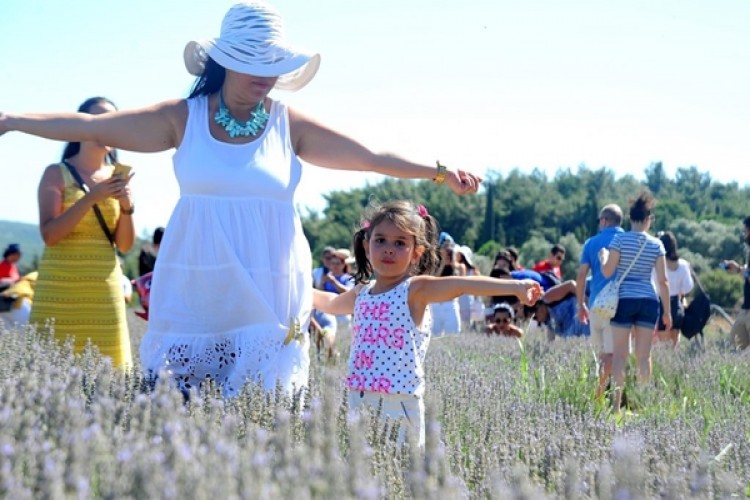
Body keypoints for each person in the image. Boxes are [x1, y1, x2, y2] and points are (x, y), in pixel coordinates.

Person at [0, 2, 481, 395]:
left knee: (265, 401)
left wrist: (439, 173)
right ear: (225, 59)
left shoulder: (287, 123)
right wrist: (16, 120)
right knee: (180, 401)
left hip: (270, 284)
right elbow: (91, 127)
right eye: (255, 63)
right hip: (198, 284)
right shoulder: (181, 117)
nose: (266, 75)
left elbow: (371, 155)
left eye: (273, 65)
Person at [313, 201, 541, 446]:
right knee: (361, 474)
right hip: (359, 398)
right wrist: (298, 289)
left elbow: (461, 285)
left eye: (400, 243)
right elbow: (331, 303)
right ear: (366, 246)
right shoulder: (361, 293)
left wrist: (515, 287)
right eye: (380, 240)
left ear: (416, 253)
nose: (388, 249)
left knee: (403, 473)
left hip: (399, 404)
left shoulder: (414, 290)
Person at [16, 97, 135, 369]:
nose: (109, 127)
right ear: (78, 126)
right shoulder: (56, 173)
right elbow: (50, 235)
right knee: (48, 374)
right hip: (59, 292)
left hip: (105, 295)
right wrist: (91, 198)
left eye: (114, 121)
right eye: (100, 119)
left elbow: (125, 246)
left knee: (112, 378)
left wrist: (128, 206)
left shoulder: (117, 177)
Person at [601, 192, 671, 410]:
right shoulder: (656, 244)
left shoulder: (619, 239)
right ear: (649, 219)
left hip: (624, 298)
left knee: (620, 354)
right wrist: (667, 312)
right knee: (644, 356)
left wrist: (603, 257)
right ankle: (642, 404)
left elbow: (608, 271)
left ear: (631, 218)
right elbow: (663, 281)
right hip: (649, 300)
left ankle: (616, 405)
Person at [576, 203, 624, 398]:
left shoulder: (591, 243)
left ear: (604, 220)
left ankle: (599, 396)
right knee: (613, 356)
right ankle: (601, 397)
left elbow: (581, 276)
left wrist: (580, 304)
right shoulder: (627, 241)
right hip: (618, 306)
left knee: (601, 357)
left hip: (596, 304)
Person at [655, 231, 693, 347]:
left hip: (661, 305)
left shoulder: (657, 264)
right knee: (674, 344)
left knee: (663, 345)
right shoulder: (683, 264)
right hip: (677, 305)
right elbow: (688, 287)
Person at [722, 216, 750, 351]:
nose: (744, 235)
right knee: (734, 347)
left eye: (746, 231)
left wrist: (740, 270)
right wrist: (739, 268)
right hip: (746, 308)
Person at [431, 237, 462, 336]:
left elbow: (460, 281)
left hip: (450, 302)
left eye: (450, 247)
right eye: (445, 247)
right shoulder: (435, 264)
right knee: (434, 335)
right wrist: (443, 263)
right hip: (436, 302)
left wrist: (453, 262)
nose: (448, 250)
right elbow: (433, 280)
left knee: (453, 334)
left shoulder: (457, 266)